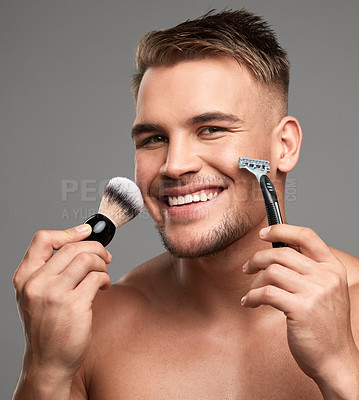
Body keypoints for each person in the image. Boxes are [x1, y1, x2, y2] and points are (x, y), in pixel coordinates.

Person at [13, 9, 359, 399]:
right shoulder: (92, 328)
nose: (175, 165)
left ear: (284, 146)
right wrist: (43, 370)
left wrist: (341, 369)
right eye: (153, 139)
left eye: (210, 129)